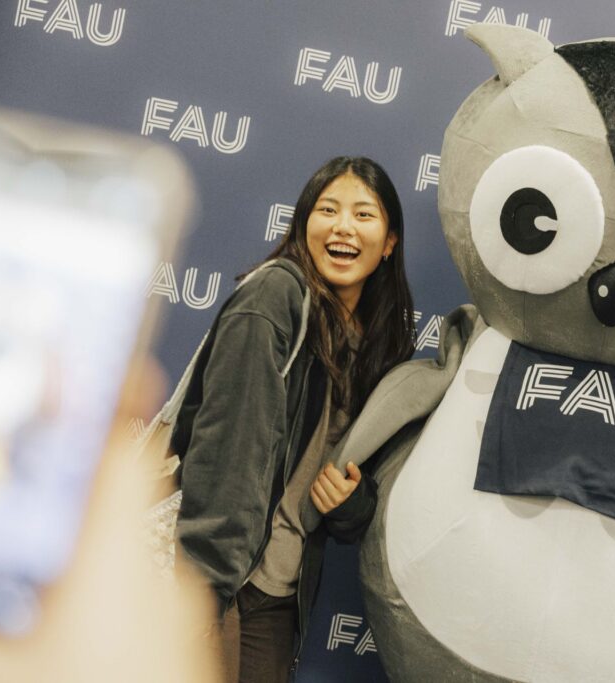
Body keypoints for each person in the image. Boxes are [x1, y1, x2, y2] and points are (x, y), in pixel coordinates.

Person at [172, 156, 415, 683]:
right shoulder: (275, 297)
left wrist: (352, 503)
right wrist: (200, 599)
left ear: (389, 241)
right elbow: (230, 453)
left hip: (280, 596)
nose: (343, 226)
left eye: (363, 214)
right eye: (327, 209)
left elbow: (368, 488)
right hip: (224, 585)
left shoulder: (376, 344)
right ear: (304, 222)